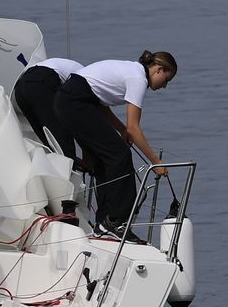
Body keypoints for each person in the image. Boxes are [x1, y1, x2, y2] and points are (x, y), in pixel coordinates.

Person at [53, 50, 177, 244]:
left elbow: (101, 103)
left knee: (106, 158)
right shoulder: (138, 79)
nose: (165, 86)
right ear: (159, 69)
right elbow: (134, 128)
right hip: (75, 102)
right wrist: (155, 161)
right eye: (166, 79)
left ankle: (104, 223)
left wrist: (121, 130)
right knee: (120, 155)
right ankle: (115, 222)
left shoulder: (131, 70)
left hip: (71, 100)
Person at [12, 57, 81, 159]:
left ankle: (65, 164)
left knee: (47, 143)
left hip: (20, 88)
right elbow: (83, 127)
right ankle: (69, 166)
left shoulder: (85, 76)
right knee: (61, 135)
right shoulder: (90, 87)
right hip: (41, 80)